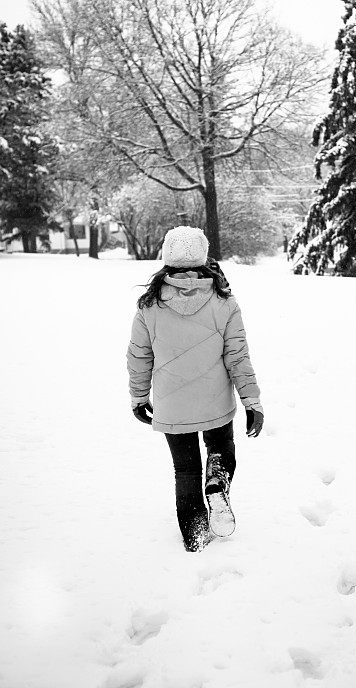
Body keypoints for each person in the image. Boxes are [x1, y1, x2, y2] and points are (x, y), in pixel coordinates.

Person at [126, 225, 264, 553]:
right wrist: (251, 400)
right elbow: (238, 356)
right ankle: (217, 480)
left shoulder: (149, 305)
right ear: (204, 258)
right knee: (221, 449)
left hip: (172, 406)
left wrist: (138, 396)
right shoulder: (224, 301)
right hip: (215, 402)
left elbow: (138, 355)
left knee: (185, 470)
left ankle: (196, 536)